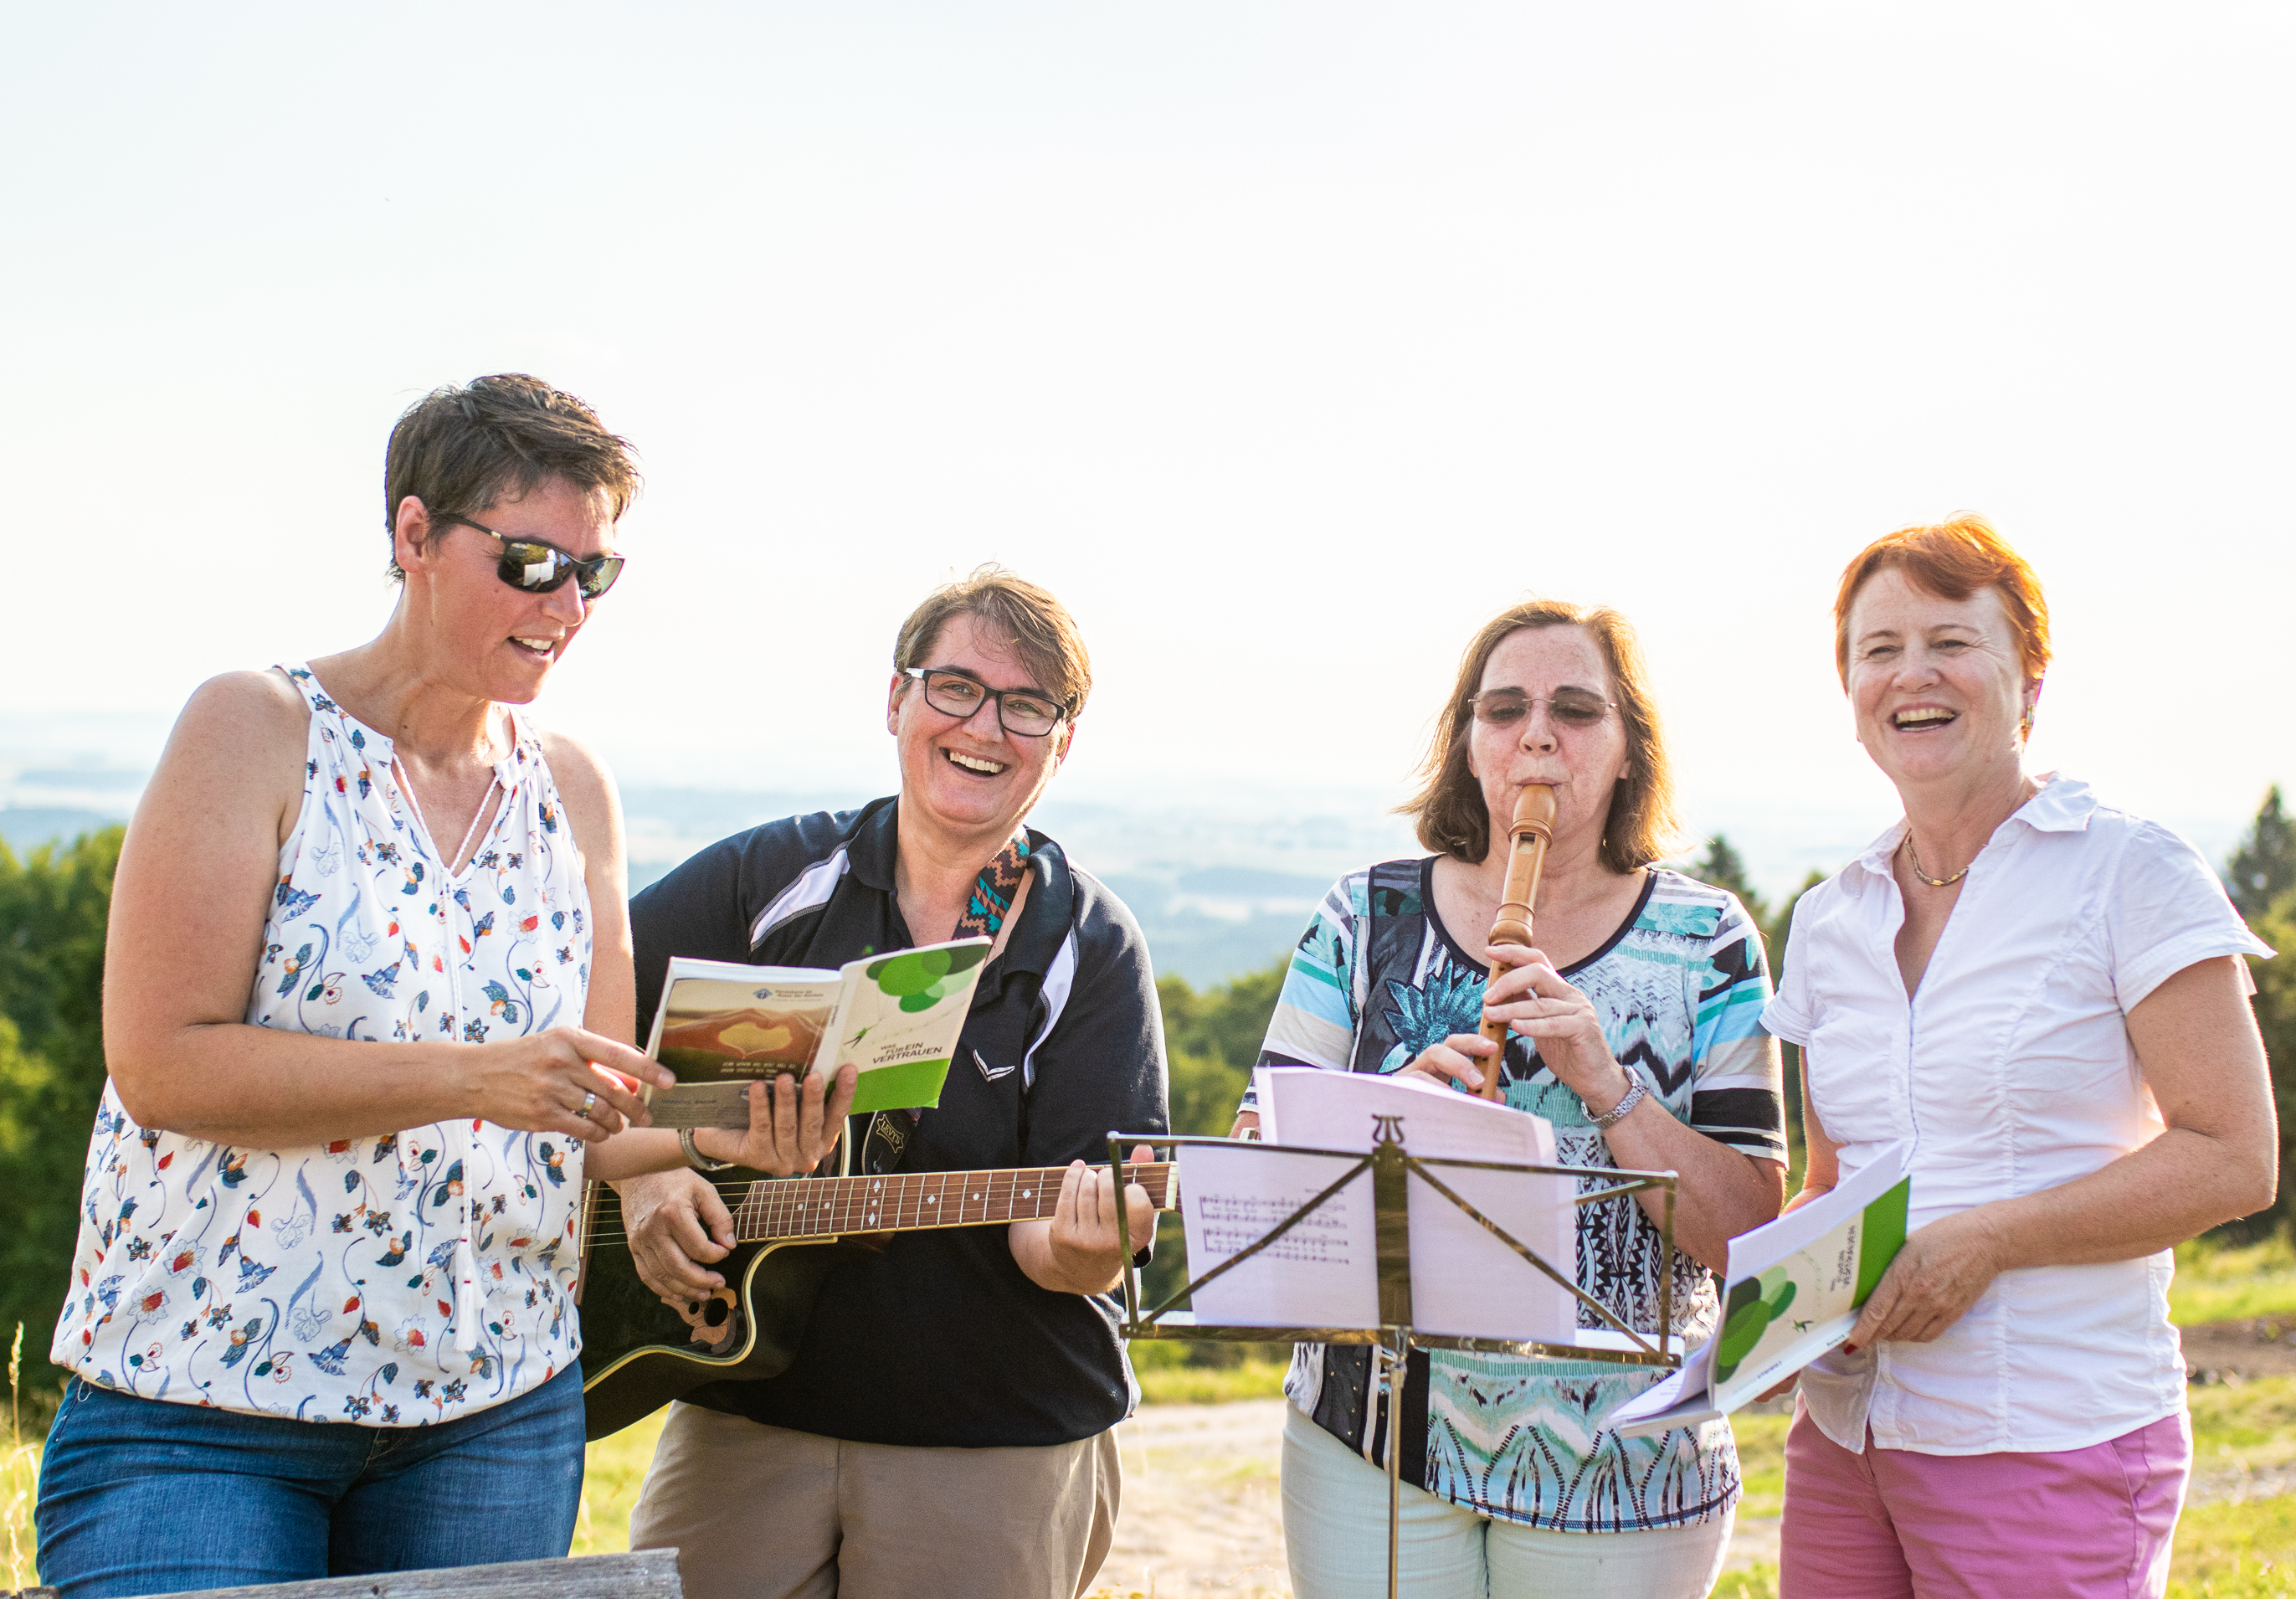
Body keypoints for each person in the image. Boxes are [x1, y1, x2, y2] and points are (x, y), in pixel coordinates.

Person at [36, 375, 851, 1599]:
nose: (566, 604)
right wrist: (474, 1079)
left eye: (595, 572)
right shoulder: (256, 727)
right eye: (531, 560)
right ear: (413, 535)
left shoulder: (574, 785)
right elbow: (162, 1064)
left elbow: (593, 1113)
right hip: (202, 1404)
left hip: (495, 1414)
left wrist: (719, 1135)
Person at [615, 566, 1169, 1599]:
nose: (986, 726)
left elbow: (1063, 1231)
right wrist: (646, 1172)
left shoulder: (1086, 943)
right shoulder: (766, 878)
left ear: (1063, 739)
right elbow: (576, 1041)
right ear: (897, 699)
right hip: (742, 1403)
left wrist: (1090, 1247)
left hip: (989, 1436)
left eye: (1028, 705)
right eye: (956, 687)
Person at [1764, 515, 2278, 1598]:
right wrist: (1788, 1321)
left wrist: (1990, 1239)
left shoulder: (2129, 871)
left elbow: (2235, 1155)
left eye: (1951, 640)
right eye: (1879, 648)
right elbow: (1829, 1181)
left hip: (2048, 1432)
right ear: (1852, 693)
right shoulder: (1827, 919)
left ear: (2028, 679)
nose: (1912, 672)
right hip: (1846, 1441)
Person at [1235, 599, 1789, 1599]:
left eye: (1576, 709)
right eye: (1505, 708)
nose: (1537, 733)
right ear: (1470, 744)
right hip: (1372, 1434)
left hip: (1626, 1462)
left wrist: (1609, 1085)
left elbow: (1751, 1230)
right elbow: (1251, 1161)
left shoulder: (1708, 937)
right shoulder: (1365, 914)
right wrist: (1386, 1105)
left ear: (1627, 751)